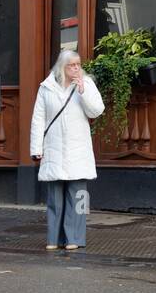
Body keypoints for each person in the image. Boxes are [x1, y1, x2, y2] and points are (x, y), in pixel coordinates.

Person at [29, 50, 104, 251]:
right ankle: (54, 239)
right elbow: (38, 120)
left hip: (78, 150)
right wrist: (36, 148)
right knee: (55, 198)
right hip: (54, 150)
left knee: (78, 198)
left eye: (78, 64)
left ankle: (75, 238)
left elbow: (97, 110)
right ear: (62, 67)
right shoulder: (46, 88)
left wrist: (83, 92)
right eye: (72, 65)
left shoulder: (86, 84)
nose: (77, 68)